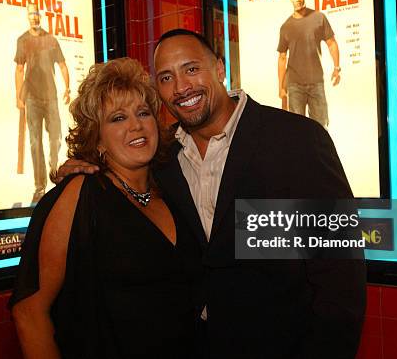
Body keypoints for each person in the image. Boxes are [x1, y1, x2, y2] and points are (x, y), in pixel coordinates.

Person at [57, 29, 366, 358]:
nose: (181, 87)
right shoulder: (163, 157)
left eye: (191, 69)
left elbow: (340, 274)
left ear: (220, 68)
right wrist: (82, 165)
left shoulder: (295, 139)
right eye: (166, 77)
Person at [9, 58, 203, 358]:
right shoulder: (80, 194)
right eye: (117, 118)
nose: (136, 125)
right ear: (96, 138)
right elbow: (29, 312)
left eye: (143, 113)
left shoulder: (173, 187)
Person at [15, 3, 71, 203]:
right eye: (31, 15)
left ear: (40, 16)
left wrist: (67, 88)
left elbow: (62, 65)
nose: (34, 18)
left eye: (36, 15)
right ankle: (40, 187)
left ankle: (54, 173)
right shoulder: (22, 40)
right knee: (35, 142)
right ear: (28, 17)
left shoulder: (50, 40)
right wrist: (18, 96)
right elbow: (19, 69)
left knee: (55, 138)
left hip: (51, 96)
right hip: (32, 97)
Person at [277, 0, 341, 127]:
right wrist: (281, 88)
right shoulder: (286, 27)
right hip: (294, 86)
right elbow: (282, 58)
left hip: (316, 82)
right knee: (297, 130)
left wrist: (337, 68)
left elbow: (332, 43)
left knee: (321, 128)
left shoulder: (319, 17)